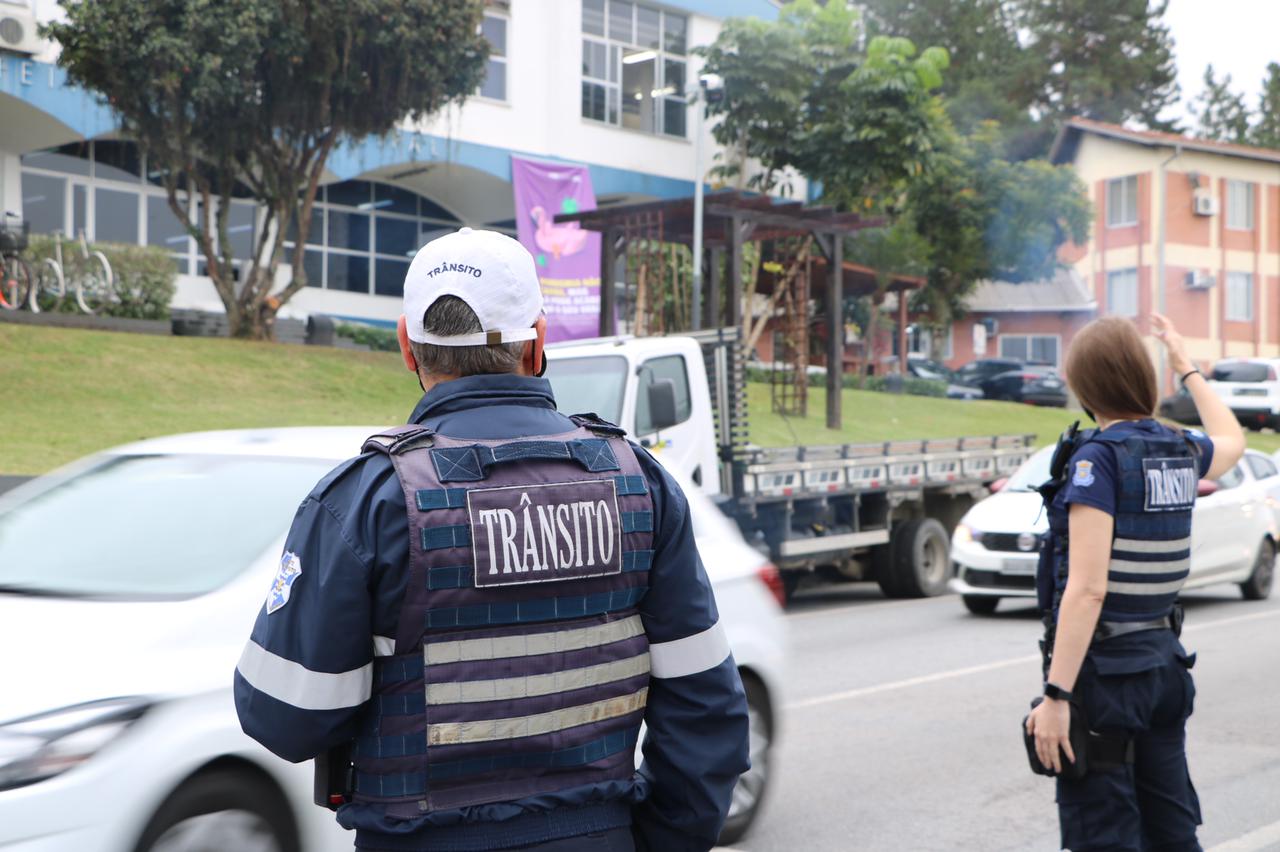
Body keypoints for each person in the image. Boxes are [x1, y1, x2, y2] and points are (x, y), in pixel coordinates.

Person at [233, 227, 750, 852]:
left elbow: (285, 718)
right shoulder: (639, 485)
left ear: (407, 346)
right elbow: (708, 707)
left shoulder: (368, 501)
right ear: (538, 343)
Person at [1025, 314, 1245, 852]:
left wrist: (1056, 696)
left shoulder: (1097, 461)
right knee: (1172, 833)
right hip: (1165, 670)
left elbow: (1087, 590)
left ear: (1084, 385)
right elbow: (1232, 439)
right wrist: (1186, 367)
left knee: (1105, 837)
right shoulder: (1177, 449)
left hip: (1109, 684)